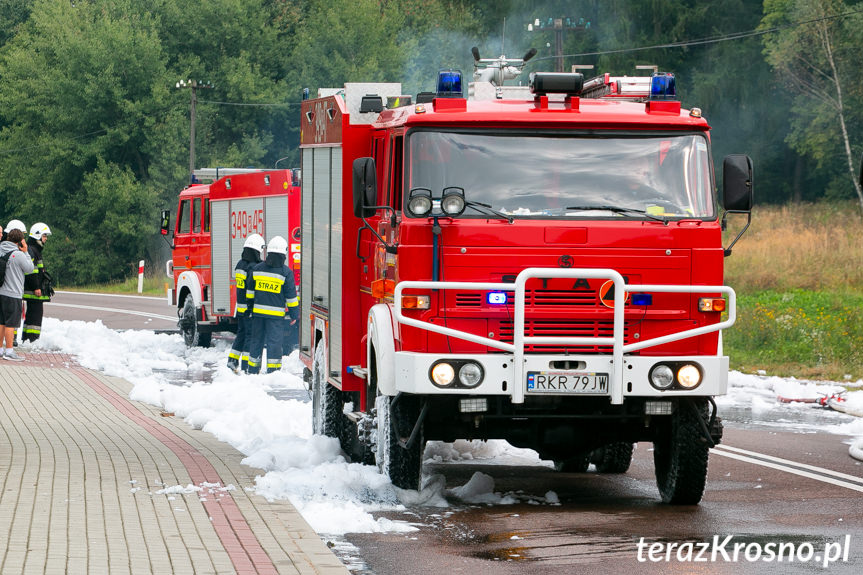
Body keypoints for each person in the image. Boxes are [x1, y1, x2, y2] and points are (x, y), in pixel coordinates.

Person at [246, 236, 299, 374]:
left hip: (258, 315)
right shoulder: (286, 272)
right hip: (276, 317)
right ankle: (273, 371)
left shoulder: (256, 269)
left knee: (256, 340)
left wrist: (250, 308)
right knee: (274, 343)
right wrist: (294, 315)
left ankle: (252, 369)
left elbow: (250, 292)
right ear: (283, 254)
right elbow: (291, 297)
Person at [227, 233, 266, 372]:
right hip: (249, 308)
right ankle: (246, 366)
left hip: (240, 307)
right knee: (250, 336)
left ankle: (232, 361)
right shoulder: (253, 267)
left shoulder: (240, 264)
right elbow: (251, 290)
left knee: (241, 334)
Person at [0, 229, 35, 360]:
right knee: (10, 324)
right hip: (13, 293)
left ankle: (0, 349)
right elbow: (29, 269)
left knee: (1, 322)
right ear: (20, 241)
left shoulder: (0, 249)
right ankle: (9, 351)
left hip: (1, 292)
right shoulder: (18, 254)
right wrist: (25, 252)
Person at [22, 222, 52, 342]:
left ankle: (27, 339)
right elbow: (32, 271)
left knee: (31, 316)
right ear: (37, 236)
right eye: (44, 236)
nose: (46, 239)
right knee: (35, 316)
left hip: (34, 290)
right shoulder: (33, 250)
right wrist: (36, 287)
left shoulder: (34, 250)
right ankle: (32, 339)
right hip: (33, 291)